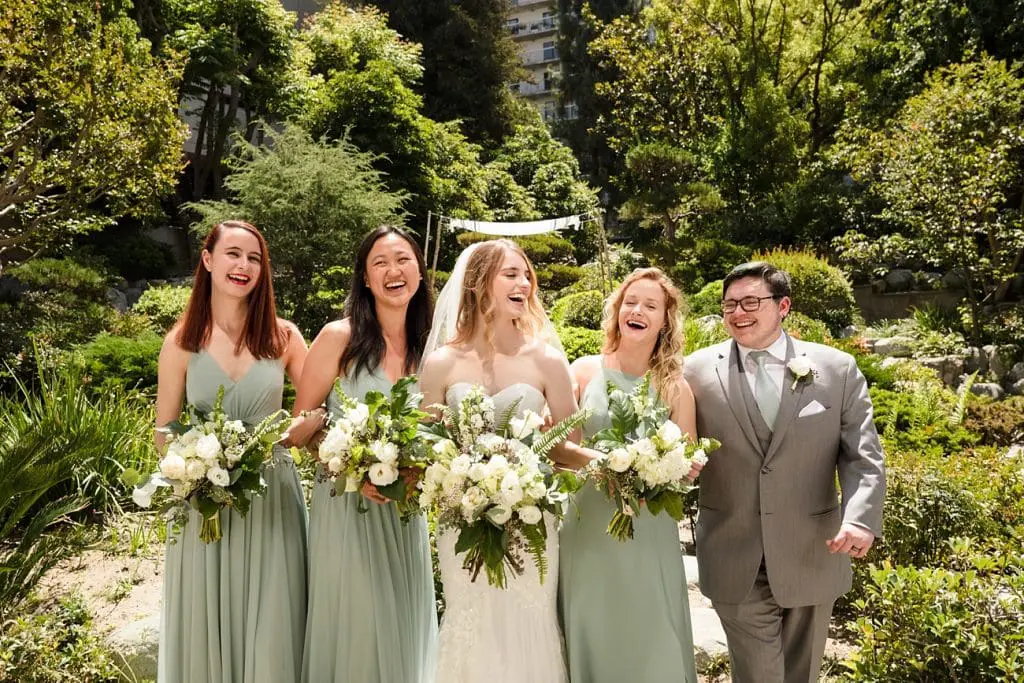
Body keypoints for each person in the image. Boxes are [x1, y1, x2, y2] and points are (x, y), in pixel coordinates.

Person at [684, 261, 885, 683]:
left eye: (751, 302)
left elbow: (861, 456)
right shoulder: (694, 371)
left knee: (801, 673)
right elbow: (677, 441)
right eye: (730, 305)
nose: (738, 313)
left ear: (784, 305)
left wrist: (860, 519)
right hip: (732, 551)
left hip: (813, 549)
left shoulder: (836, 369)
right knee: (759, 674)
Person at [418, 239, 593, 683]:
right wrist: (459, 481)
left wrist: (611, 462)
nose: (523, 283)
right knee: (469, 623)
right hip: (462, 519)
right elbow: (424, 445)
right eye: (509, 274)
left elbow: (564, 448)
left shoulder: (547, 360)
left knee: (528, 622)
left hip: (530, 520)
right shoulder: (441, 363)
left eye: (525, 274)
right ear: (478, 284)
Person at [156, 220, 309, 683]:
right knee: (207, 613)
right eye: (233, 255)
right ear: (207, 260)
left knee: (275, 611)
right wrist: (195, 465)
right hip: (205, 504)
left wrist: (295, 432)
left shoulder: (285, 337)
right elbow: (164, 428)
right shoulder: (181, 341)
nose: (243, 266)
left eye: (254, 259)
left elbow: (315, 409)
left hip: (272, 497)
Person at [285, 225, 438, 683]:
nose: (394, 271)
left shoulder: (431, 348)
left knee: (400, 620)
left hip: (405, 509)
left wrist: (417, 470)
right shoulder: (339, 337)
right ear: (366, 279)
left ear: (419, 271)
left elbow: (438, 431)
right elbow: (299, 427)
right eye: (381, 263)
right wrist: (347, 461)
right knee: (358, 620)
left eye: (403, 260)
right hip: (346, 505)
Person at [559, 267, 700, 683]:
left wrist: (672, 472)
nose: (636, 311)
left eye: (650, 306)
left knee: (649, 628)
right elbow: (560, 449)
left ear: (664, 320)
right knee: (593, 622)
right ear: (618, 310)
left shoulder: (674, 387)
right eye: (630, 302)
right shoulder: (584, 371)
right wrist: (610, 466)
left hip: (649, 528)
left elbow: (688, 463)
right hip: (588, 525)